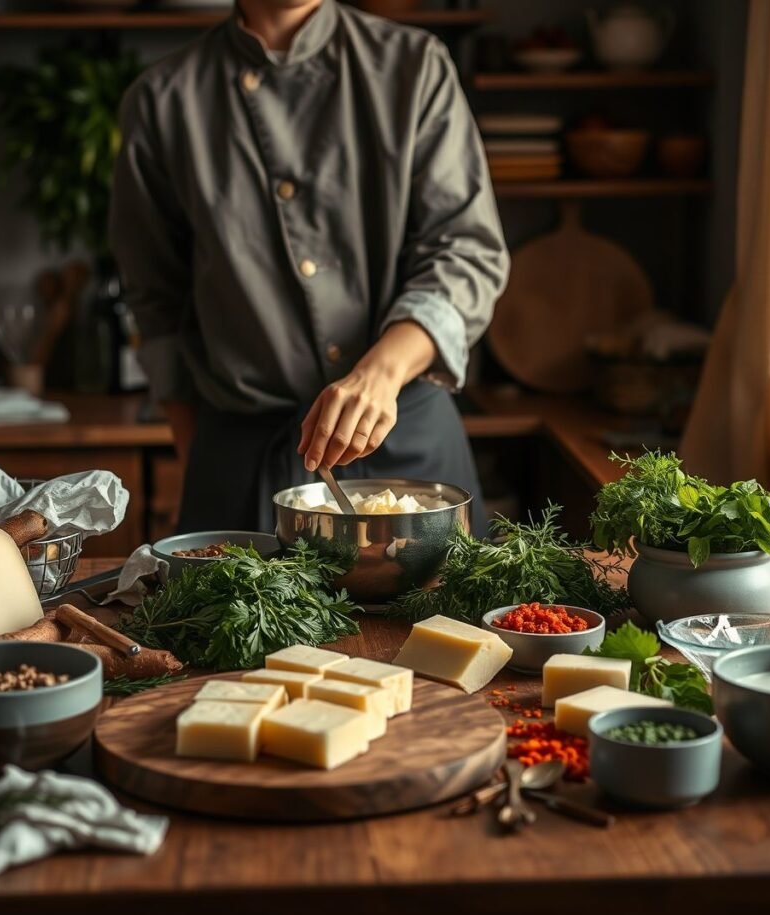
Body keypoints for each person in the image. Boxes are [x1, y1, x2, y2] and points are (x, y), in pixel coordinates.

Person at [110, 0, 509, 533]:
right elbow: (155, 299)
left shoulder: (414, 65)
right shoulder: (162, 99)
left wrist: (381, 372)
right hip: (242, 459)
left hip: (410, 451)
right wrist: (196, 450)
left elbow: (466, 250)